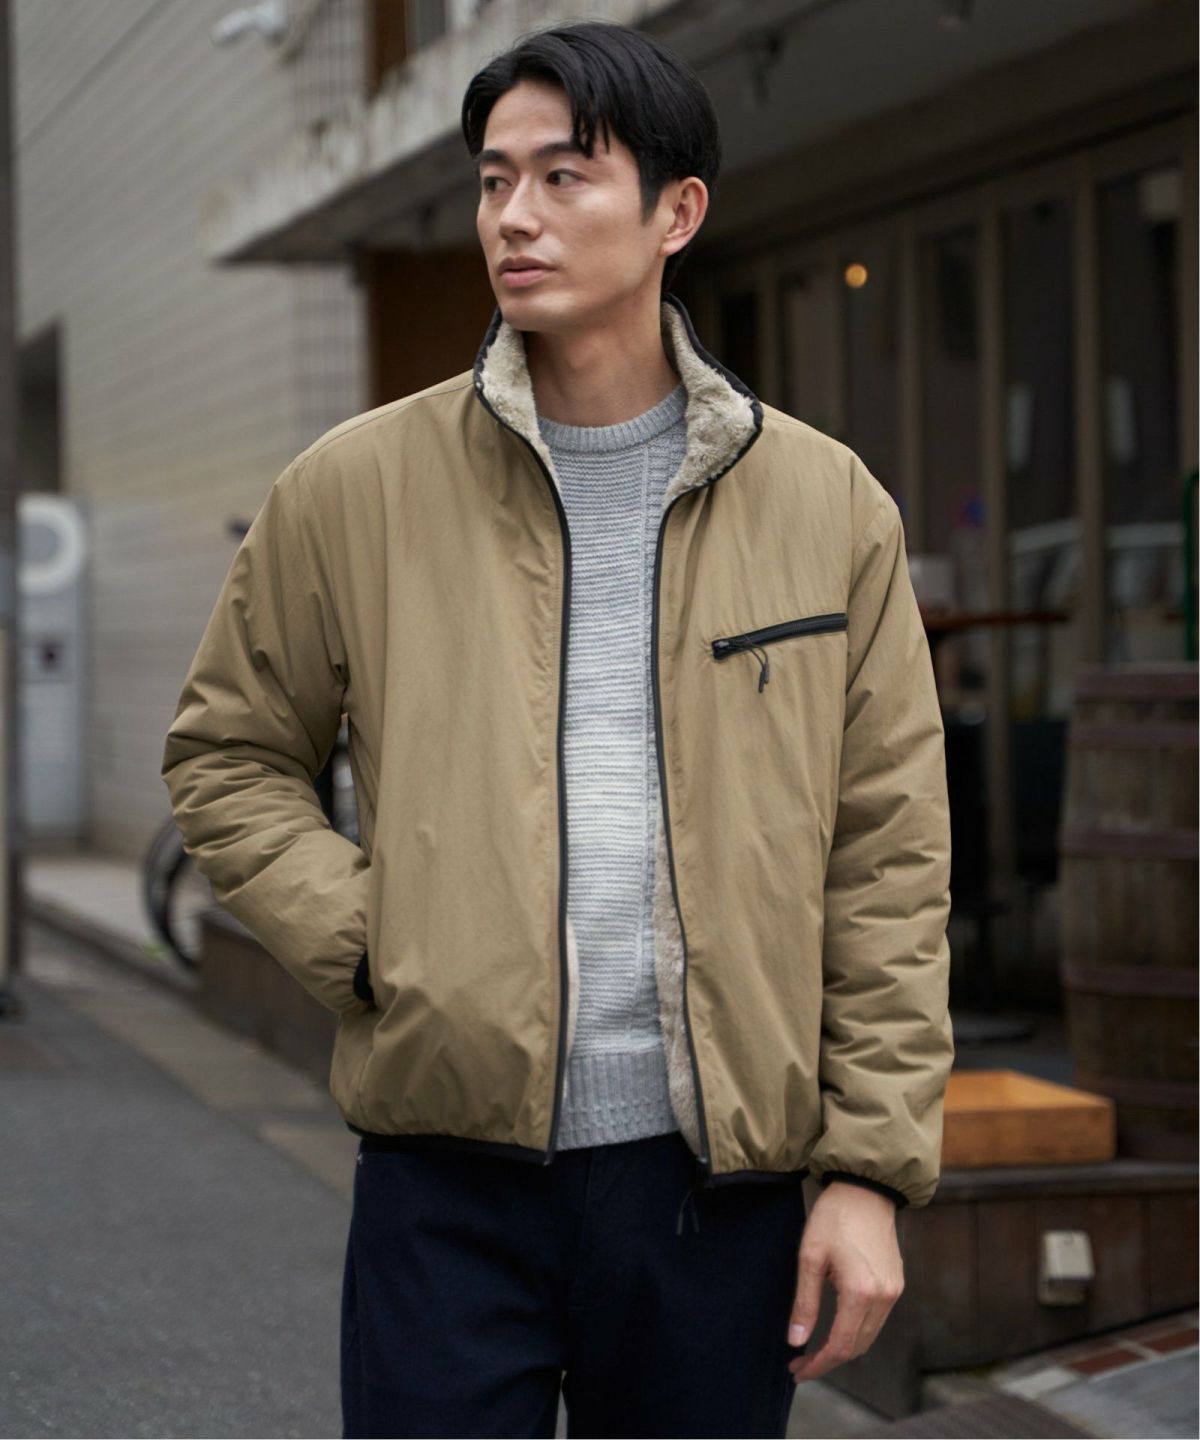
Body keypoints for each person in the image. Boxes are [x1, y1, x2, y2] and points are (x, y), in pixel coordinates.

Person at [161, 19, 953, 1439]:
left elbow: (888, 859)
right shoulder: (354, 488)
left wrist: (869, 1172)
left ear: (676, 213)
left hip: (719, 1192)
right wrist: (377, 942)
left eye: (563, 176)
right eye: (492, 180)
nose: (512, 216)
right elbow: (228, 755)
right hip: (445, 1186)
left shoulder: (828, 507)